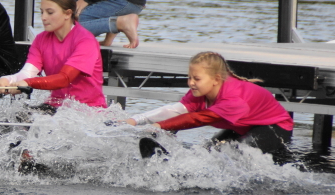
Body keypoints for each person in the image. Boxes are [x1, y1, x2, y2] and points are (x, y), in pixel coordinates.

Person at [126, 51, 294, 160]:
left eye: (196, 79)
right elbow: (175, 111)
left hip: (274, 128)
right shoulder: (199, 92)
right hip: (243, 127)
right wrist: (134, 121)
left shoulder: (233, 98)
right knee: (209, 152)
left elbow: (198, 119)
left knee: (233, 156)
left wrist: (158, 126)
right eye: (189, 77)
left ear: (216, 80)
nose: (191, 83)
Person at [0, 0, 106, 111]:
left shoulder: (85, 40)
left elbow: (65, 79)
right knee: (10, 123)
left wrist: (29, 83)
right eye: (42, 12)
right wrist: (8, 79)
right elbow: (28, 73)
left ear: (67, 14)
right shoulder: (40, 39)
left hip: (87, 110)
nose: (43, 17)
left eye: (50, 12)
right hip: (55, 107)